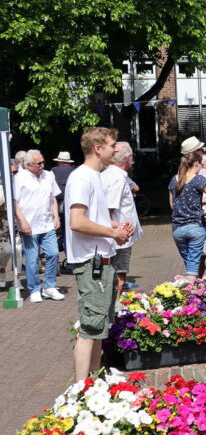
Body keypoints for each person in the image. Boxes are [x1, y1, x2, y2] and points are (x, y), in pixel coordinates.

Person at [66, 127, 131, 381]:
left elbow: (92, 219)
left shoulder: (94, 176)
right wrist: (112, 233)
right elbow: (77, 222)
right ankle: (82, 389)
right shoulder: (83, 178)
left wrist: (116, 226)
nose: (116, 149)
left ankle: (93, 383)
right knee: (90, 327)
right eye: (112, 145)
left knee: (99, 328)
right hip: (91, 261)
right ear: (98, 148)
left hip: (100, 260)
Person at [168, 136, 206, 281]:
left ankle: (194, 296)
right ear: (196, 162)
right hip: (195, 227)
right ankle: (189, 297)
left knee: (191, 266)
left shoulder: (174, 179)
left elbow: (172, 205)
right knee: (192, 272)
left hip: (177, 230)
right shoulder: (199, 180)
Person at [13, 149, 63, 302]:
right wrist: (23, 221)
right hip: (29, 226)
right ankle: (34, 288)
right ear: (28, 165)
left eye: (43, 162)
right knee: (32, 259)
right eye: (38, 163)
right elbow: (15, 203)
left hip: (47, 223)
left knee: (54, 253)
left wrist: (56, 216)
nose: (42, 165)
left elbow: (53, 198)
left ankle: (49, 286)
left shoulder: (48, 175)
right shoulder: (19, 178)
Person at [101, 142, 143, 295]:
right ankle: (116, 308)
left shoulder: (109, 174)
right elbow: (108, 209)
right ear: (127, 159)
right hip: (119, 234)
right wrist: (117, 227)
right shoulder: (117, 178)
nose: (132, 160)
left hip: (117, 233)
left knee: (115, 270)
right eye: (132, 157)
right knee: (119, 271)